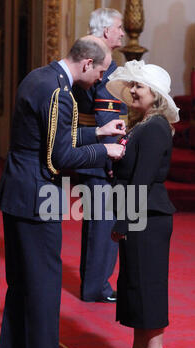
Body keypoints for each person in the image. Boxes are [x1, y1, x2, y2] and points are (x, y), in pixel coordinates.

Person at [0, 36, 126, 348]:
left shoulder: (39, 76)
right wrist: (106, 152)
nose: (100, 78)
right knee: (43, 283)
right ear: (86, 64)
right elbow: (59, 157)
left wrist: (98, 131)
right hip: (37, 196)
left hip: (17, 189)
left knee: (20, 281)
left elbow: (50, 137)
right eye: (100, 71)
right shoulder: (60, 93)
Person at [105, 60, 179, 348]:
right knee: (133, 284)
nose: (132, 90)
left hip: (148, 216)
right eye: (132, 85)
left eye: (140, 86)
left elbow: (142, 180)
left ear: (157, 95)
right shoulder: (140, 123)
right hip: (137, 214)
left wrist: (123, 222)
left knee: (148, 286)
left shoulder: (157, 127)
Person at [73, 8, 127, 303]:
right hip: (100, 153)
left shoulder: (87, 54)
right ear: (106, 31)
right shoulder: (105, 63)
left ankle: (95, 283)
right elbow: (106, 118)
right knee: (103, 222)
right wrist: (113, 160)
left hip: (89, 149)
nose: (122, 33)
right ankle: (97, 287)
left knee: (98, 220)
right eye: (119, 28)